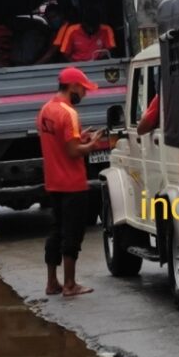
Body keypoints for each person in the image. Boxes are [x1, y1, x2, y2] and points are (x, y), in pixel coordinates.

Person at [37, 67, 106, 297]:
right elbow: (74, 151)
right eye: (83, 89)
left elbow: (60, 143)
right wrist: (92, 144)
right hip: (73, 184)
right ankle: (70, 284)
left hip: (53, 183)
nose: (84, 94)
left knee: (56, 231)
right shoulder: (69, 113)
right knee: (72, 234)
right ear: (73, 86)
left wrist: (80, 137)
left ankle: (52, 283)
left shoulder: (46, 110)